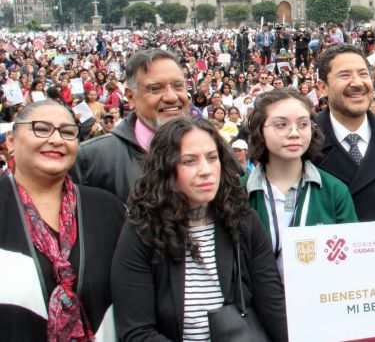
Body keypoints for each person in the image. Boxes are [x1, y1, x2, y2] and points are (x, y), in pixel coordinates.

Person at [111, 117, 288, 342]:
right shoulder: (142, 231)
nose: (206, 171)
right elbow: (137, 330)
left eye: (212, 158)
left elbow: (272, 305)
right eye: (189, 161)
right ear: (166, 169)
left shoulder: (243, 221)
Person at [0, 99, 124, 341]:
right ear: (11, 142)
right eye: (42, 129)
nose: (56, 139)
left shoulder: (108, 208)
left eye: (67, 132)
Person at [244, 89, 357, 274]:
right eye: (281, 125)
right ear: (259, 130)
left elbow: (351, 260)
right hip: (257, 301)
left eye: (303, 124)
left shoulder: (335, 190)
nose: (294, 133)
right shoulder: (238, 192)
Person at [71, 49, 190, 201]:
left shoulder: (213, 149)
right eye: (155, 88)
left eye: (178, 86)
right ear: (130, 97)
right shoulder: (90, 160)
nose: (172, 97)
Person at [313, 44, 375, 221]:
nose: (358, 83)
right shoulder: (305, 141)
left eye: (363, 74)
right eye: (344, 75)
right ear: (322, 87)